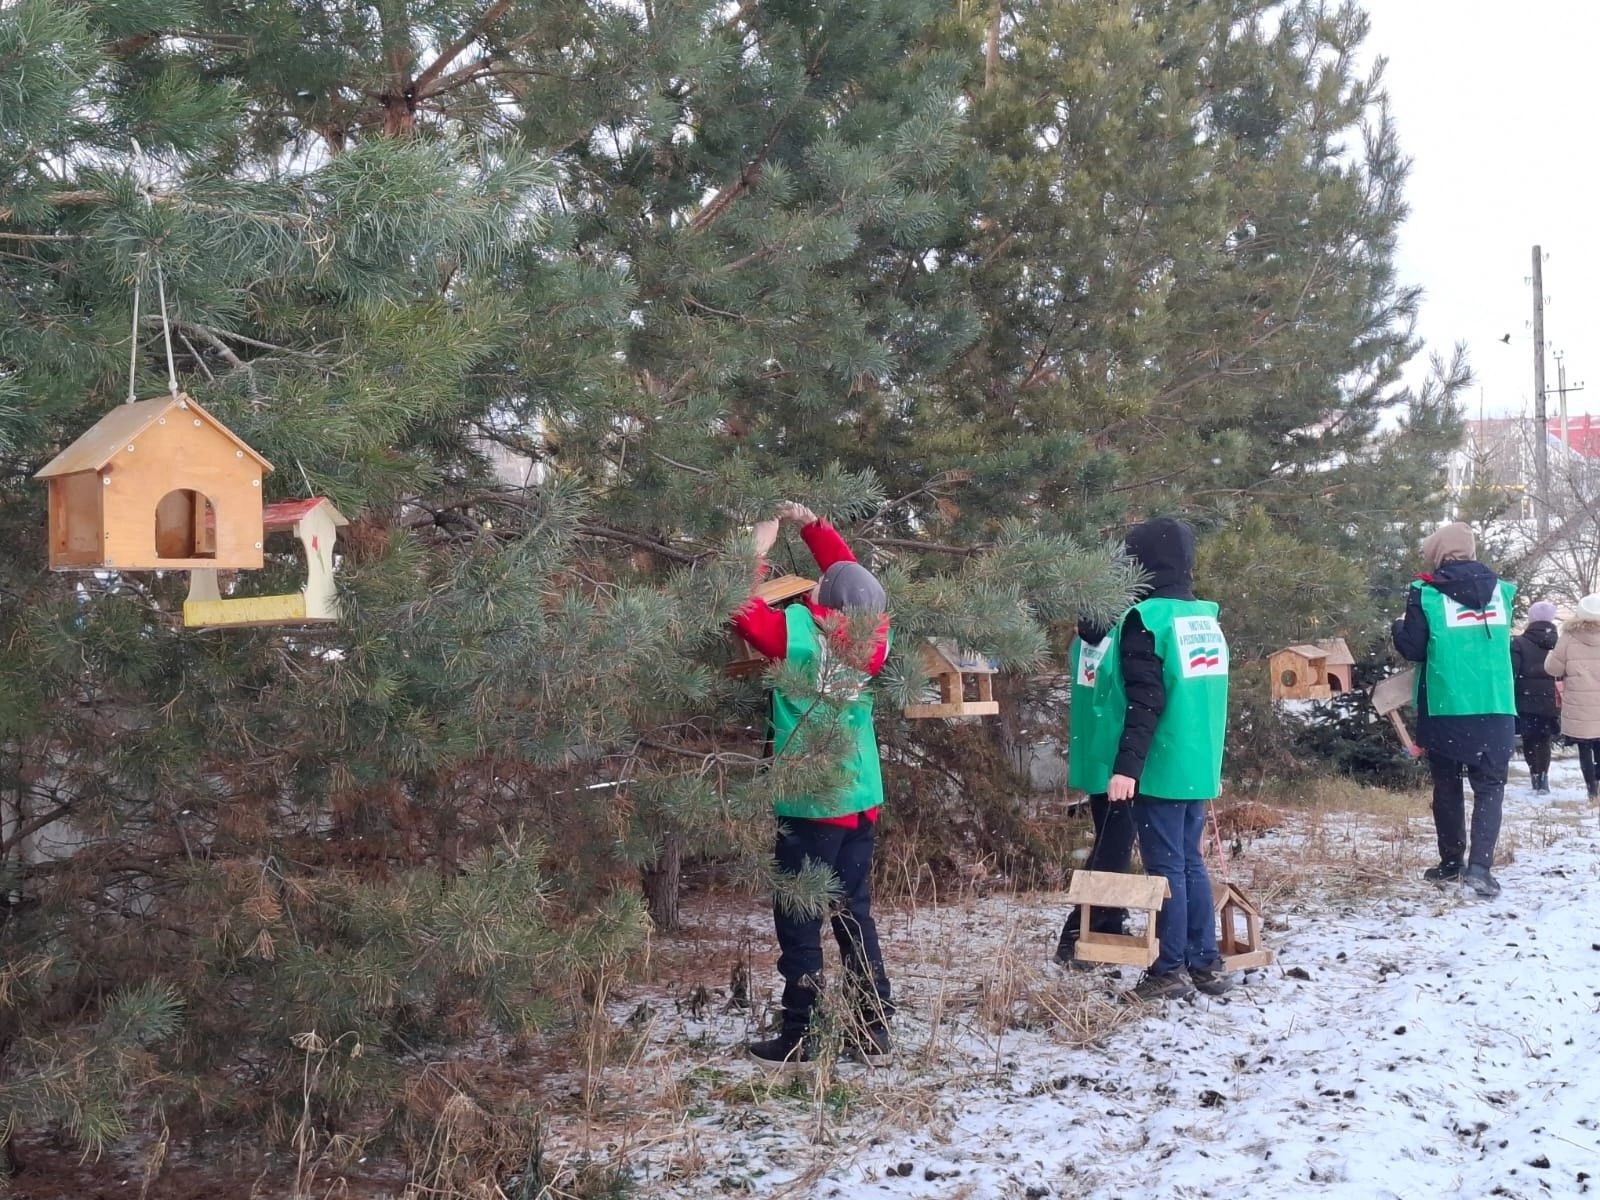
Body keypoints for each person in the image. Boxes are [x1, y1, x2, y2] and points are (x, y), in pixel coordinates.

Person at [732, 501, 893, 1064]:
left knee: (798, 919)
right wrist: (815, 529)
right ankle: (873, 1026)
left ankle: (801, 1031)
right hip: (860, 801)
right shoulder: (873, 638)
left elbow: (741, 608)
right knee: (853, 914)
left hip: (810, 801)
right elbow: (852, 577)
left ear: (820, 607)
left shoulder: (800, 642)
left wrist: (757, 546)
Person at [1088, 517, 1232, 1002]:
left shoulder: (1146, 622)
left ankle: (1168, 970)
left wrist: (1126, 767)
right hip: (1198, 765)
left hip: (1161, 766)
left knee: (1166, 869)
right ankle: (1204, 963)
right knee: (1190, 863)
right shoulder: (1204, 620)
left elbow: (1144, 702)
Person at [1392, 522, 1515, 898]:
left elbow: (1413, 648)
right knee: (1490, 786)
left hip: (1447, 704)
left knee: (1447, 786)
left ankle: (1450, 864)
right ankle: (1480, 868)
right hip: (1495, 704)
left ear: (1438, 553)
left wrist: (1397, 626)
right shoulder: (1503, 592)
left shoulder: (1425, 594)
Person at [1054, 616, 1137, 967]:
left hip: (1096, 757)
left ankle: (1110, 925)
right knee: (1114, 849)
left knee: (1109, 840)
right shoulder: (1123, 639)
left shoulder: (1084, 642)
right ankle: (1076, 934)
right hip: (1119, 758)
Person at [1544, 594, 1600, 801]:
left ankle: (1592, 790)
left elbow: (1552, 668)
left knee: (1585, 747)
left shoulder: (1569, 636)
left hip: (1579, 702)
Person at [1511, 600, 1560, 794]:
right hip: (1550, 698)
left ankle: (1535, 776)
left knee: (1530, 738)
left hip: (1526, 698)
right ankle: (1544, 777)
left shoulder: (1519, 643)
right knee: (1544, 738)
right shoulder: (1558, 642)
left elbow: (1512, 672)